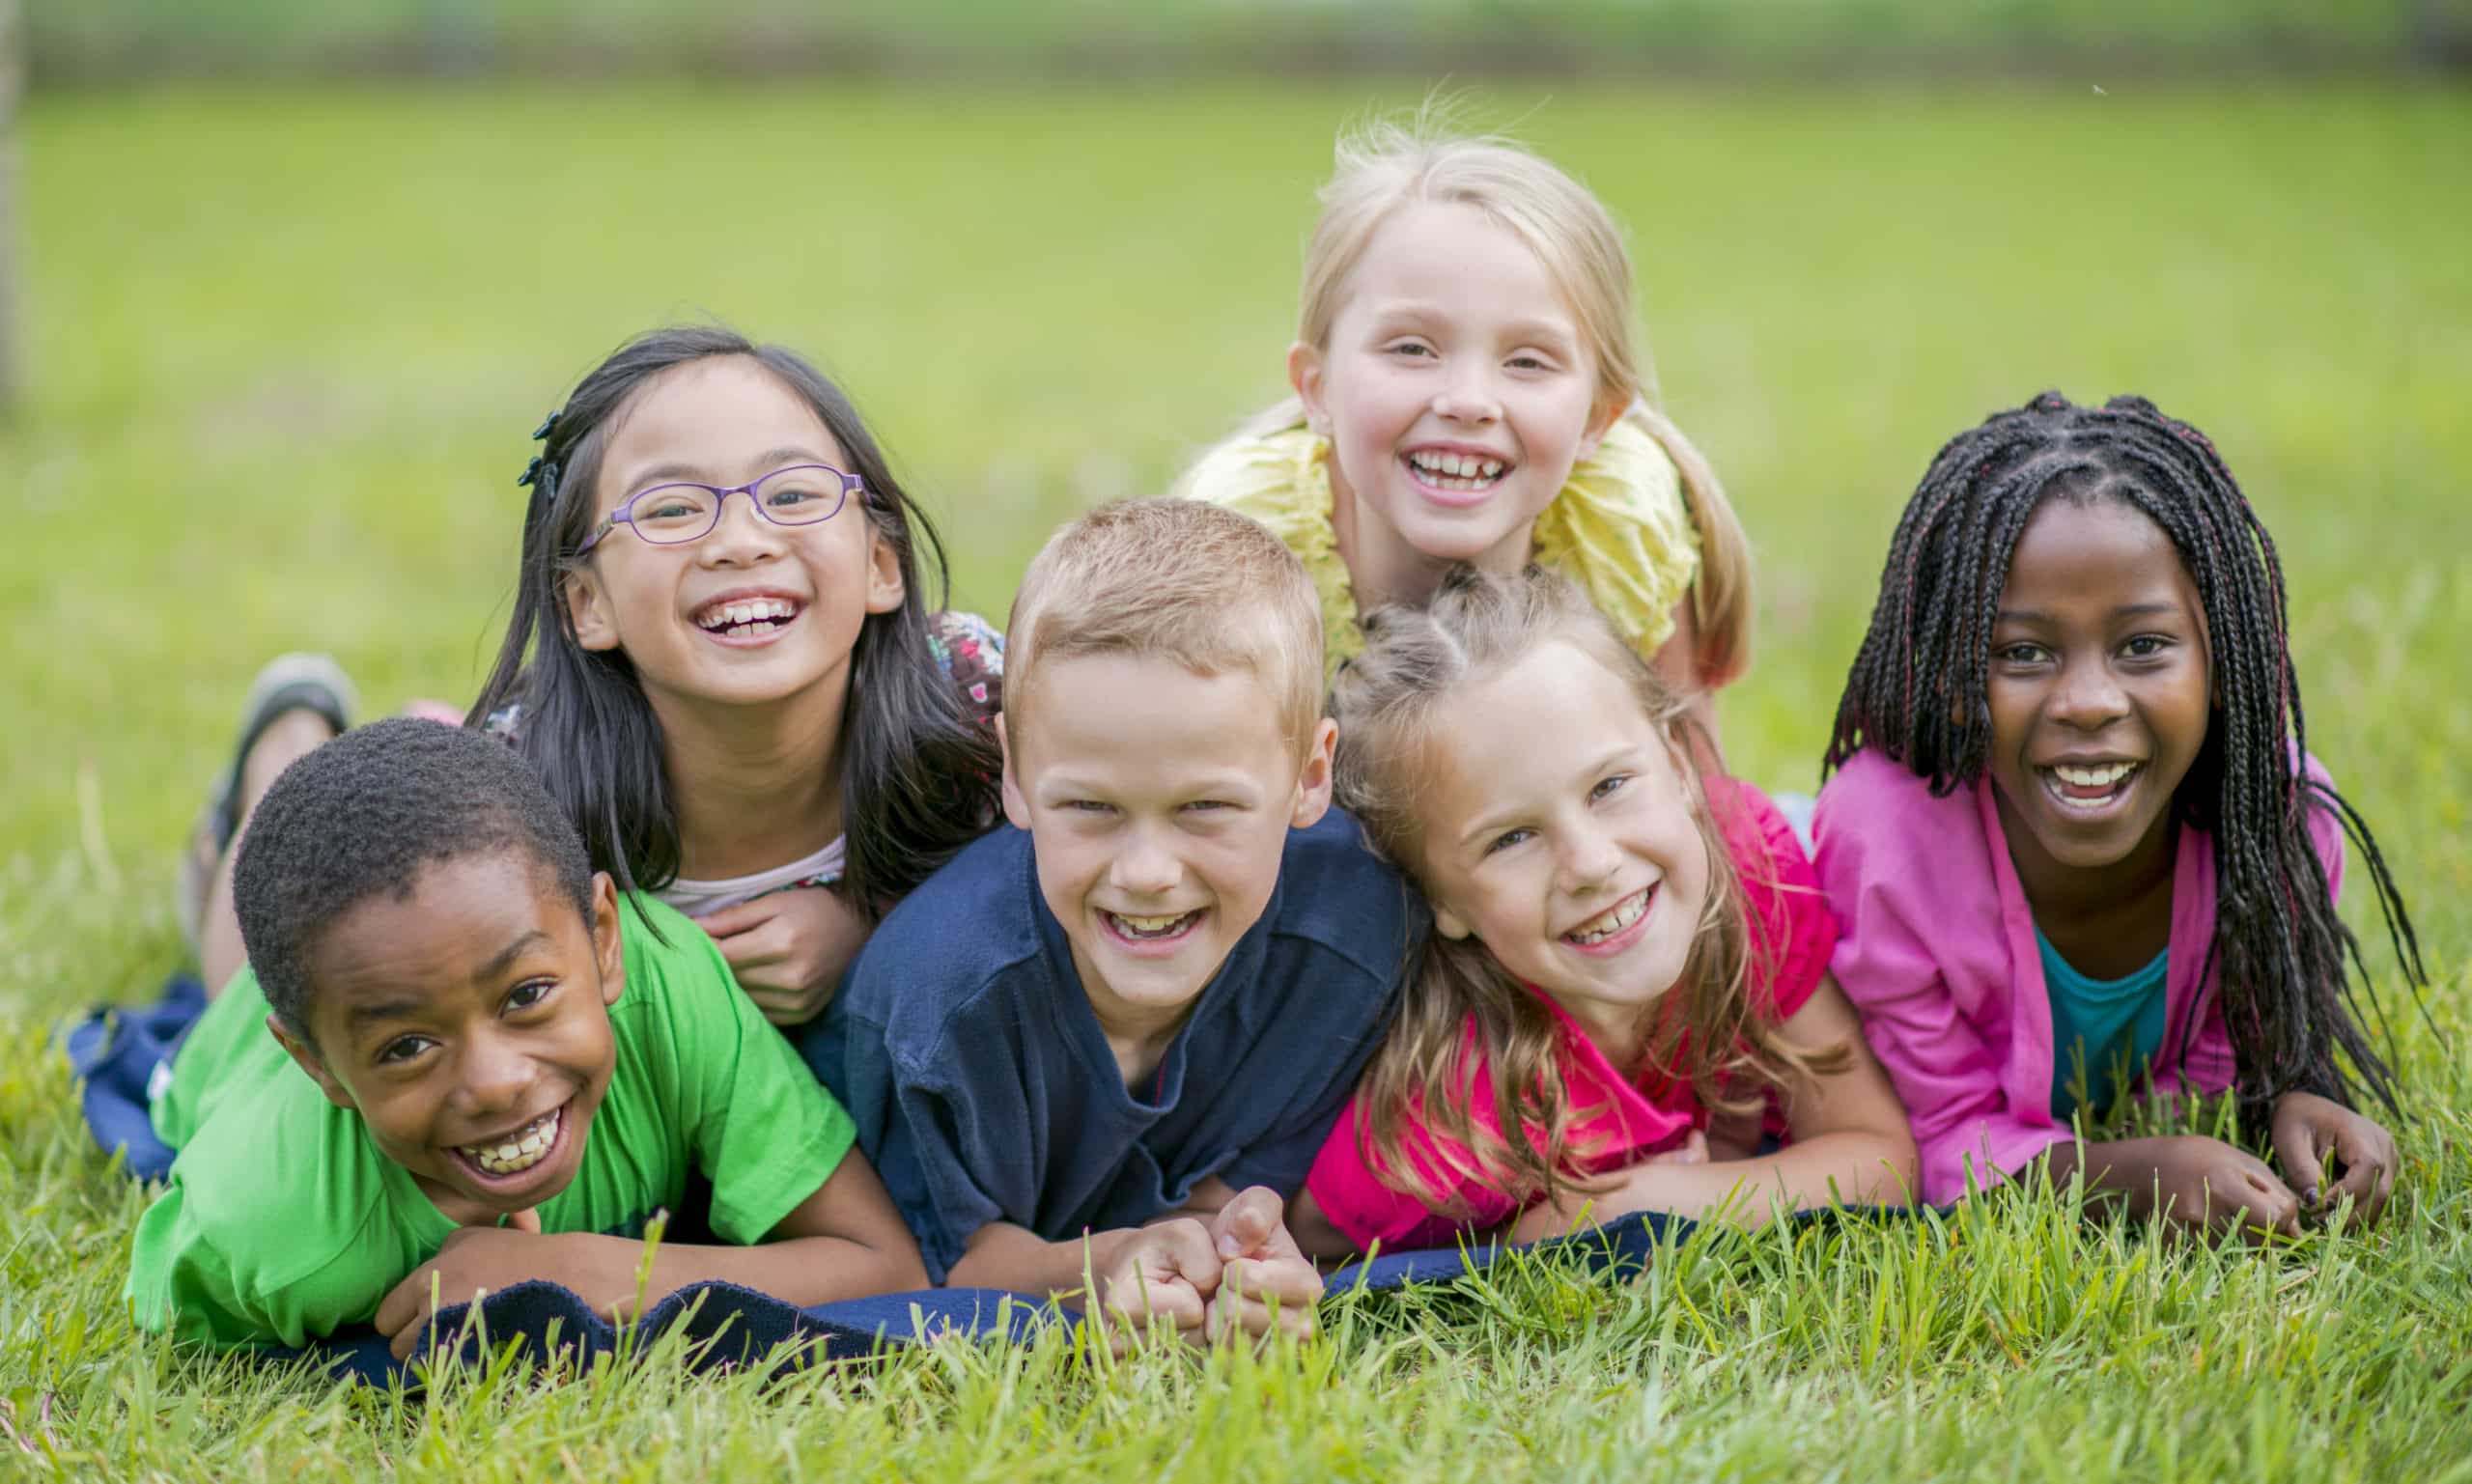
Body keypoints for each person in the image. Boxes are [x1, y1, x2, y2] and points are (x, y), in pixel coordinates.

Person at [180, 325, 1001, 1035]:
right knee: (262, 1002)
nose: (742, 540)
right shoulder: (520, 784)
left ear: (882, 563)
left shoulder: (972, 695)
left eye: (791, 493)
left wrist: (873, 923)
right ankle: (286, 746)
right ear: (586, 603)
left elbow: (1062, 874)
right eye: (673, 509)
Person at [808, 500, 1417, 1345]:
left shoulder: (1355, 932)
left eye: (1206, 807)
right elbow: (951, 1268)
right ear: (1015, 775)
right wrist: (1119, 1262)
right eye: (1091, 806)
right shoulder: (940, 997)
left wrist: (1232, 1249)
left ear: (1312, 773)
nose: (1146, 873)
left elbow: (1231, 1187)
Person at [1815, 392, 2423, 1234]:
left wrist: (2297, 1090)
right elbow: (1936, 1140)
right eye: (2023, 652)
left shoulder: (2273, 825)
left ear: (2224, 659)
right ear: (1954, 673)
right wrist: (2131, 1175)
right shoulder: (1883, 849)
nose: (2091, 701)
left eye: (2143, 645)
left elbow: (2240, 1046)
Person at [127, 720, 925, 1353]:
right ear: (318, 1065)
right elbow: (164, 1316)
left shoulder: (669, 989)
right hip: (238, 1052)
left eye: (529, 995)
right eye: (407, 1046)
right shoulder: (268, 1223)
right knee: (227, 977)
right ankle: (285, 738)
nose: (498, 1081)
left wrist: (570, 1270)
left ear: (605, 938)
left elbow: (884, 1264)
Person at [1292, 567, 1915, 1257]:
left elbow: (1881, 1162)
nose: (1591, 863)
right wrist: (1548, 1225)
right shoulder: (1454, 1116)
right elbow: (1310, 1231)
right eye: (1512, 838)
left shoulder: (1747, 867)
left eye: (1610, 785)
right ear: (1441, 900)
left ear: (1679, 764)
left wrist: (1647, 1201)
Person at [1178, 120, 1754, 728]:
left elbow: (1693, 796)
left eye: (1527, 361)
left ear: (1597, 419)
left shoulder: (1618, 526)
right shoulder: (1242, 548)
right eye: (1411, 349)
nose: (1469, 401)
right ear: (1317, 390)